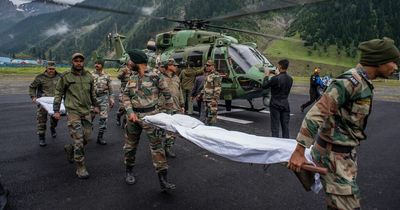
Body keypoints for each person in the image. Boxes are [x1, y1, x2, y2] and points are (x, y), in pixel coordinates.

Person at [288, 37, 399, 210]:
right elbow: (315, 113)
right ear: (379, 60)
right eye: (393, 61)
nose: (396, 67)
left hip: (345, 156)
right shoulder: (349, 82)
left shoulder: (363, 83)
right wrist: (299, 151)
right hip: (334, 157)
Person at [122, 49, 175, 191]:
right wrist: (130, 112)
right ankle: (129, 171)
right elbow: (125, 96)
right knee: (130, 147)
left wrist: (169, 114)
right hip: (133, 119)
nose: (128, 63)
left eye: (130, 60)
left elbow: (167, 94)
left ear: (137, 62)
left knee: (157, 148)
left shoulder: (155, 75)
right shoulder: (132, 76)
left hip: (151, 117)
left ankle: (163, 180)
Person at [53, 53, 99, 179]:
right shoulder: (66, 76)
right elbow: (58, 93)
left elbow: (92, 93)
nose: (78, 63)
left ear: (83, 62)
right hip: (73, 111)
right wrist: (56, 110)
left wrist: (96, 105)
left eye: (81, 61)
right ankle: (80, 167)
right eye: (76, 60)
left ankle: (70, 148)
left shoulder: (88, 76)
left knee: (87, 138)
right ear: (72, 62)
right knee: (78, 139)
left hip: (86, 111)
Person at [29, 61, 61, 147]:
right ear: (46, 68)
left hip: (56, 102)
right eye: (50, 69)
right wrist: (33, 97)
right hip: (43, 102)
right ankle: (42, 137)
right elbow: (32, 87)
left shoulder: (60, 76)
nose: (51, 70)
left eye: (53, 69)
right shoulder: (40, 77)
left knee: (55, 119)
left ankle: (52, 128)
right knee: (41, 119)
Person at [159, 58, 184, 158]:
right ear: (169, 66)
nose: (176, 67)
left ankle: (168, 148)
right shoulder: (159, 78)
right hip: (163, 108)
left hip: (176, 107)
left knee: (173, 130)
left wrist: (182, 105)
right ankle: (160, 149)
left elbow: (180, 91)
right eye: (175, 65)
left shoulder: (177, 77)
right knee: (161, 130)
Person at [262, 59, 293, 138]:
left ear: (280, 66)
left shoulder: (275, 79)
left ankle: (275, 145)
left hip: (275, 104)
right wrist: (277, 75)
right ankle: (286, 145)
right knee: (285, 128)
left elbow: (264, 86)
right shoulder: (290, 79)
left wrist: (266, 75)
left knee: (275, 127)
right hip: (285, 104)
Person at [90, 59, 115, 145]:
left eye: (98, 63)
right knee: (89, 118)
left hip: (103, 98)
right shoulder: (90, 75)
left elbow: (111, 89)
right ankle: (88, 130)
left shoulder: (107, 76)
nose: (96, 65)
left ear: (102, 65)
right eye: (95, 63)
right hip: (92, 100)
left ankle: (100, 137)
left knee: (104, 118)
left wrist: (111, 99)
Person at [199, 60, 221, 126]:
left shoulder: (216, 75)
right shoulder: (207, 75)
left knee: (211, 118)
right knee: (203, 117)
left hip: (211, 100)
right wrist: (200, 94)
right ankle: (202, 131)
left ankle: (211, 132)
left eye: (209, 65)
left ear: (213, 66)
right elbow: (205, 87)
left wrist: (215, 99)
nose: (207, 67)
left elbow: (218, 88)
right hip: (205, 99)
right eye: (206, 65)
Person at [116, 62, 133, 127]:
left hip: (131, 91)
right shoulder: (124, 69)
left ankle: (125, 122)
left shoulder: (134, 69)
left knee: (128, 108)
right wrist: (123, 73)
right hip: (123, 91)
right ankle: (118, 115)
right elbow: (118, 77)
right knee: (122, 107)